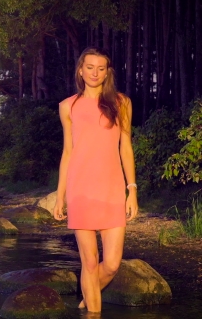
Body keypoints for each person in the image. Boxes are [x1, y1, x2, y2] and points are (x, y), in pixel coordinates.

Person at [53, 47, 139, 314]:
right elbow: (68, 151)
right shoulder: (68, 106)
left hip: (112, 189)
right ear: (80, 70)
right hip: (80, 191)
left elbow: (126, 147)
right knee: (89, 262)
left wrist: (132, 190)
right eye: (90, 67)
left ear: (107, 72)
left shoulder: (122, 103)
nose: (95, 73)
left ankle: (88, 298)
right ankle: (93, 311)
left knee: (111, 263)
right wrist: (60, 196)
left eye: (101, 68)